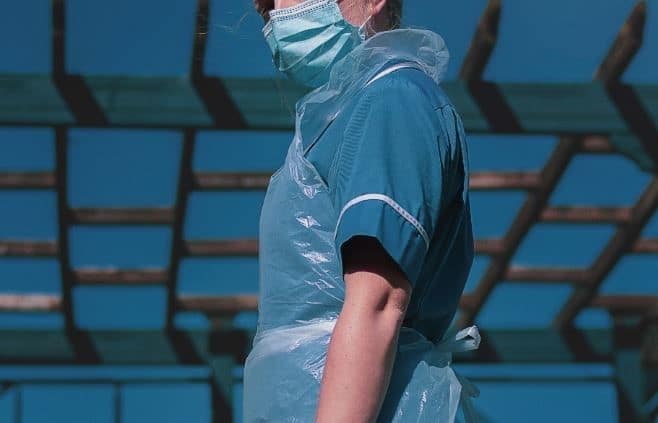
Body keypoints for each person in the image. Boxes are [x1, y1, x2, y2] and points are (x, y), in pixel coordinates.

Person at [243, 0, 480, 421]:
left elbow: (379, 300)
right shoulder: (342, 117)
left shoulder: (390, 98)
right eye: (268, 8)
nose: (278, 16)